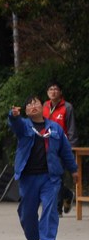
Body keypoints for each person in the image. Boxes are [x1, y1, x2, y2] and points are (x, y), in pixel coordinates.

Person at [9, 96, 77, 240]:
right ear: (25, 111)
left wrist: (73, 169)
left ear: (42, 106)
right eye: (29, 105)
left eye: (36, 103)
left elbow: (65, 151)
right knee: (27, 212)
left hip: (50, 177)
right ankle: (33, 239)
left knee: (50, 208)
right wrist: (13, 115)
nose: (33, 106)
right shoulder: (24, 125)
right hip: (28, 177)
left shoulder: (55, 128)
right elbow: (14, 123)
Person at [42, 82, 77, 213]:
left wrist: (72, 148)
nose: (53, 91)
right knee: (48, 177)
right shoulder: (44, 106)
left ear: (60, 92)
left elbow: (72, 129)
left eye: (56, 89)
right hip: (45, 147)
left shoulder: (67, 107)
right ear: (47, 92)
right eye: (50, 89)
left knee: (57, 177)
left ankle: (57, 209)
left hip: (61, 148)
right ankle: (67, 194)